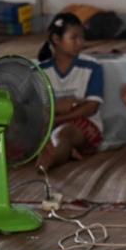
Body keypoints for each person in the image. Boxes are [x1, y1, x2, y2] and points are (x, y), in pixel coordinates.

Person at [36, 13, 107, 171]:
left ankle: (49, 161)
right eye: (74, 37)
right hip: (47, 124)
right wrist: (57, 107)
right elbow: (33, 109)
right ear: (56, 39)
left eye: (82, 37)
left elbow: (92, 107)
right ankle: (65, 152)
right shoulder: (39, 72)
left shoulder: (92, 68)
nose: (80, 42)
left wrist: (58, 117)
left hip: (81, 124)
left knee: (64, 132)